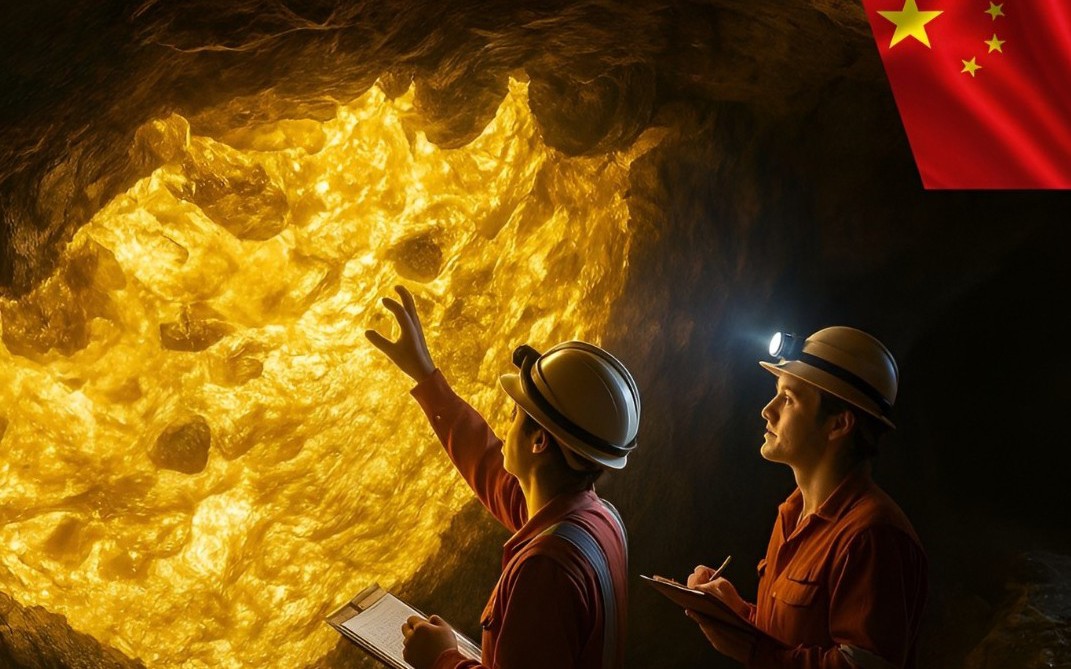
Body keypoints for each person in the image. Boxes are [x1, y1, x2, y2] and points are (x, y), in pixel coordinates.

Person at [365, 285, 641, 669]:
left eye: (515, 416)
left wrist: (441, 659)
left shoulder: (545, 571)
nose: (506, 428)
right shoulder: (593, 519)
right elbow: (491, 469)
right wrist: (425, 375)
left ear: (539, 441)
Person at [685, 326, 927, 669]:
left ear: (839, 424)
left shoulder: (871, 535)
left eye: (788, 399)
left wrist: (752, 651)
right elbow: (789, 640)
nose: (768, 411)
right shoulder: (792, 514)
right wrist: (735, 613)